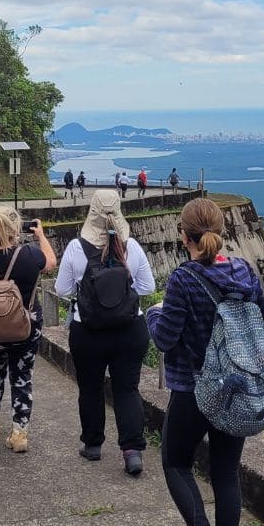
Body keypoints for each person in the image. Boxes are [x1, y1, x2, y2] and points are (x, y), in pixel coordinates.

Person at [146, 198, 264, 526]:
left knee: (175, 463)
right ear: (221, 231)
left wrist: (152, 315)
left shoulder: (184, 278)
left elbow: (165, 339)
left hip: (193, 389)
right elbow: (263, 327)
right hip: (238, 388)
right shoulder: (245, 272)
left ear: (183, 235)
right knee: (226, 473)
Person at [54, 190, 155, 475]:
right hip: (129, 329)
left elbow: (61, 290)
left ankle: (94, 444)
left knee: (90, 388)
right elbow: (148, 287)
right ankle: (132, 450)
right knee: (127, 389)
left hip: (88, 330)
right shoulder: (131, 246)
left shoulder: (76, 248)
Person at [0, 207, 56, 453]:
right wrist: (40, 235)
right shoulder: (29, 255)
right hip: (25, 327)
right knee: (22, 376)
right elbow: (50, 262)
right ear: (15, 230)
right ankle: (19, 433)